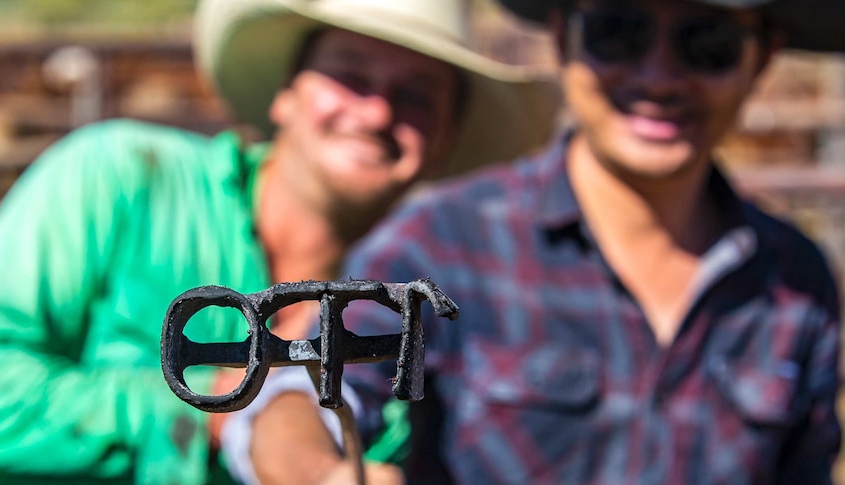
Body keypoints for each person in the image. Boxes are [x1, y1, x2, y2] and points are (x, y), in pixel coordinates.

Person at [244, 0, 845, 483]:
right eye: (618, 31)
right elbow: (310, 386)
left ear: (761, 57)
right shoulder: (445, 242)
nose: (659, 76)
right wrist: (319, 472)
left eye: (706, 43)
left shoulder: (795, 282)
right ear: (564, 38)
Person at [0, 0, 560, 482]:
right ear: (285, 94)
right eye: (352, 76)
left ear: (444, 137)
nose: (378, 111)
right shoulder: (121, 179)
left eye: (416, 96)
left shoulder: (433, 308)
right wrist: (206, 410)